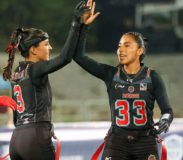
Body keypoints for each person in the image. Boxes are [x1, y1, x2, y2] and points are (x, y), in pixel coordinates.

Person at [73, 0, 173, 159]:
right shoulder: (110, 73)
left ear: (140, 51)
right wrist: (82, 26)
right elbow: (78, 57)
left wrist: (165, 120)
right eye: (119, 46)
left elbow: (167, 111)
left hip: (145, 141)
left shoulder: (152, 77)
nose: (121, 49)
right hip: (117, 141)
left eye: (127, 45)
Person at [2, 2, 90, 160]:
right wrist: (76, 24)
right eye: (46, 44)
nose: (50, 48)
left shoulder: (17, 72)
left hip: (16, 139)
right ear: (34, 49)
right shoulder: (36, 68)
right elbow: (65, 58)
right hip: (35, 137)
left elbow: (16, 114)